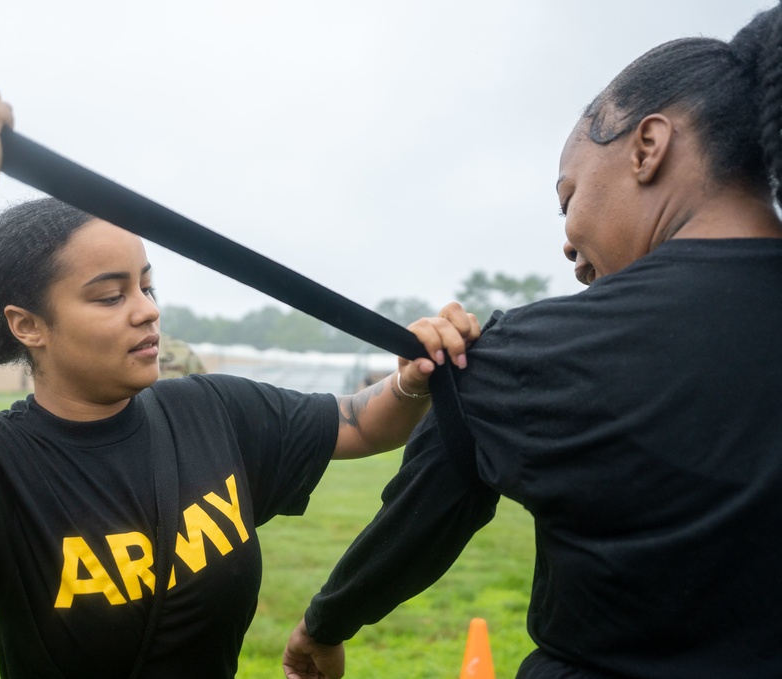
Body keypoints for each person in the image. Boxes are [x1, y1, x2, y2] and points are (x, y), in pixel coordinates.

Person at [0, 58, 480, 678]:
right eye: (109, 294)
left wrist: (410, 380)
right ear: (27, 324)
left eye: (147, 285)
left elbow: (361, 423)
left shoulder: (213, 411)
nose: (147, 310)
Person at [283, 4, 782, 678]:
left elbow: (422, 519)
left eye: (568, 195)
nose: (569, 245)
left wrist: (325, 623)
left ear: (648, 146)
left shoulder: (528, 354)